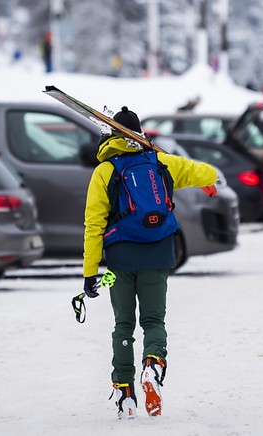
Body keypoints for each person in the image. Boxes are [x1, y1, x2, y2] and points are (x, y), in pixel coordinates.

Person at [82, 106, 218, 419]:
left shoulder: (104, 172)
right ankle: (153, 365)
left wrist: (90, 273)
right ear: (140, 134)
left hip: (120, 260)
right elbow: (198, 170)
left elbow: (93, 225)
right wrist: (210, 180)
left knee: (123, 325)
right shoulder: (160, 161)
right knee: (154, 321)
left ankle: (125, 395)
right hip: (159, 253)